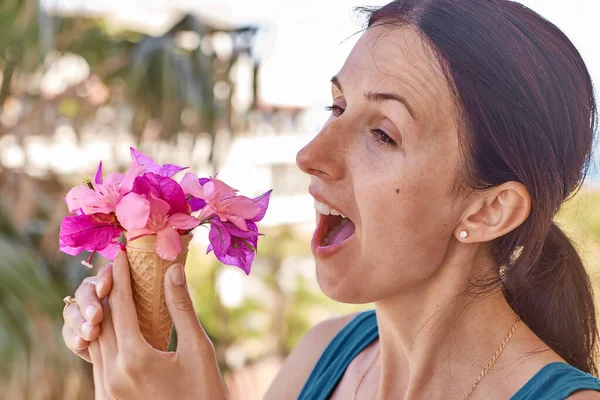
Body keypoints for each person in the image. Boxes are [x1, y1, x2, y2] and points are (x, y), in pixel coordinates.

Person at [61, 0, 600, 398]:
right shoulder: (322, 356)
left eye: (384, 133)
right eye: (338, 107)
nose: (310, 154)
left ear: (489, 210)